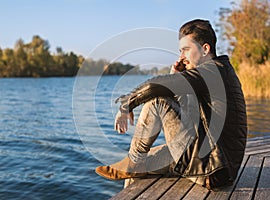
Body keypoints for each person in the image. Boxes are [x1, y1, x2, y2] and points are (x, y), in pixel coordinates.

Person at [95, 19, 247, 190]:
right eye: (180, 51)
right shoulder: (218, 71)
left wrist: (126, 105)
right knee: (142, 162)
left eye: (186, 50)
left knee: (157, 101)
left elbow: (154, 87)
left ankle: (134, 162)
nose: (181, 57)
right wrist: (175, 77)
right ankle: (134, 167)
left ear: (205, 49)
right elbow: (190, 113)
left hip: (211, 169)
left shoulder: (212, 72)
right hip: (217, 165)